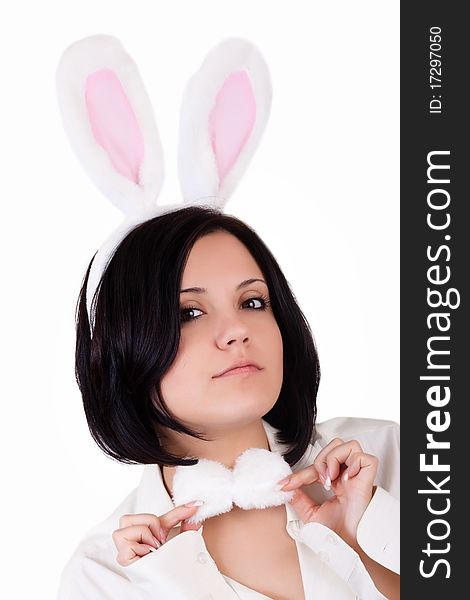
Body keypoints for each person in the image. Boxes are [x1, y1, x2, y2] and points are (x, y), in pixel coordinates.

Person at [55, 36, 400, 600]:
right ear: (122, 346)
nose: (237, 329)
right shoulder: (107, 576)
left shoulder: (386, 460)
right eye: (189, 312)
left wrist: (363, 544)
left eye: (253, 301)